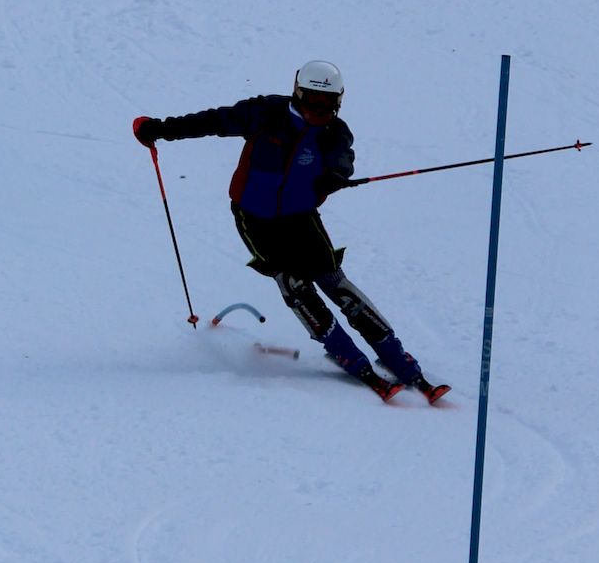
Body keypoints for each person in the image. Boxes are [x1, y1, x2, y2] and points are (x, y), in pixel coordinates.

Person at [134, 61, 447, 402]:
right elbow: (213, 121)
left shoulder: (334, 133)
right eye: (312, 99)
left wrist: (335, 176)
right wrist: (161, 129)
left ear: (338, 101)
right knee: (294, 284)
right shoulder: (266, 113)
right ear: (297, 93)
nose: (318, 109)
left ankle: (395, 356)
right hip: (254, 217)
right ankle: (345, 353)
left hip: (301, 217)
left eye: (327, 102)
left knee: (337, 284)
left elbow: (343, 158)